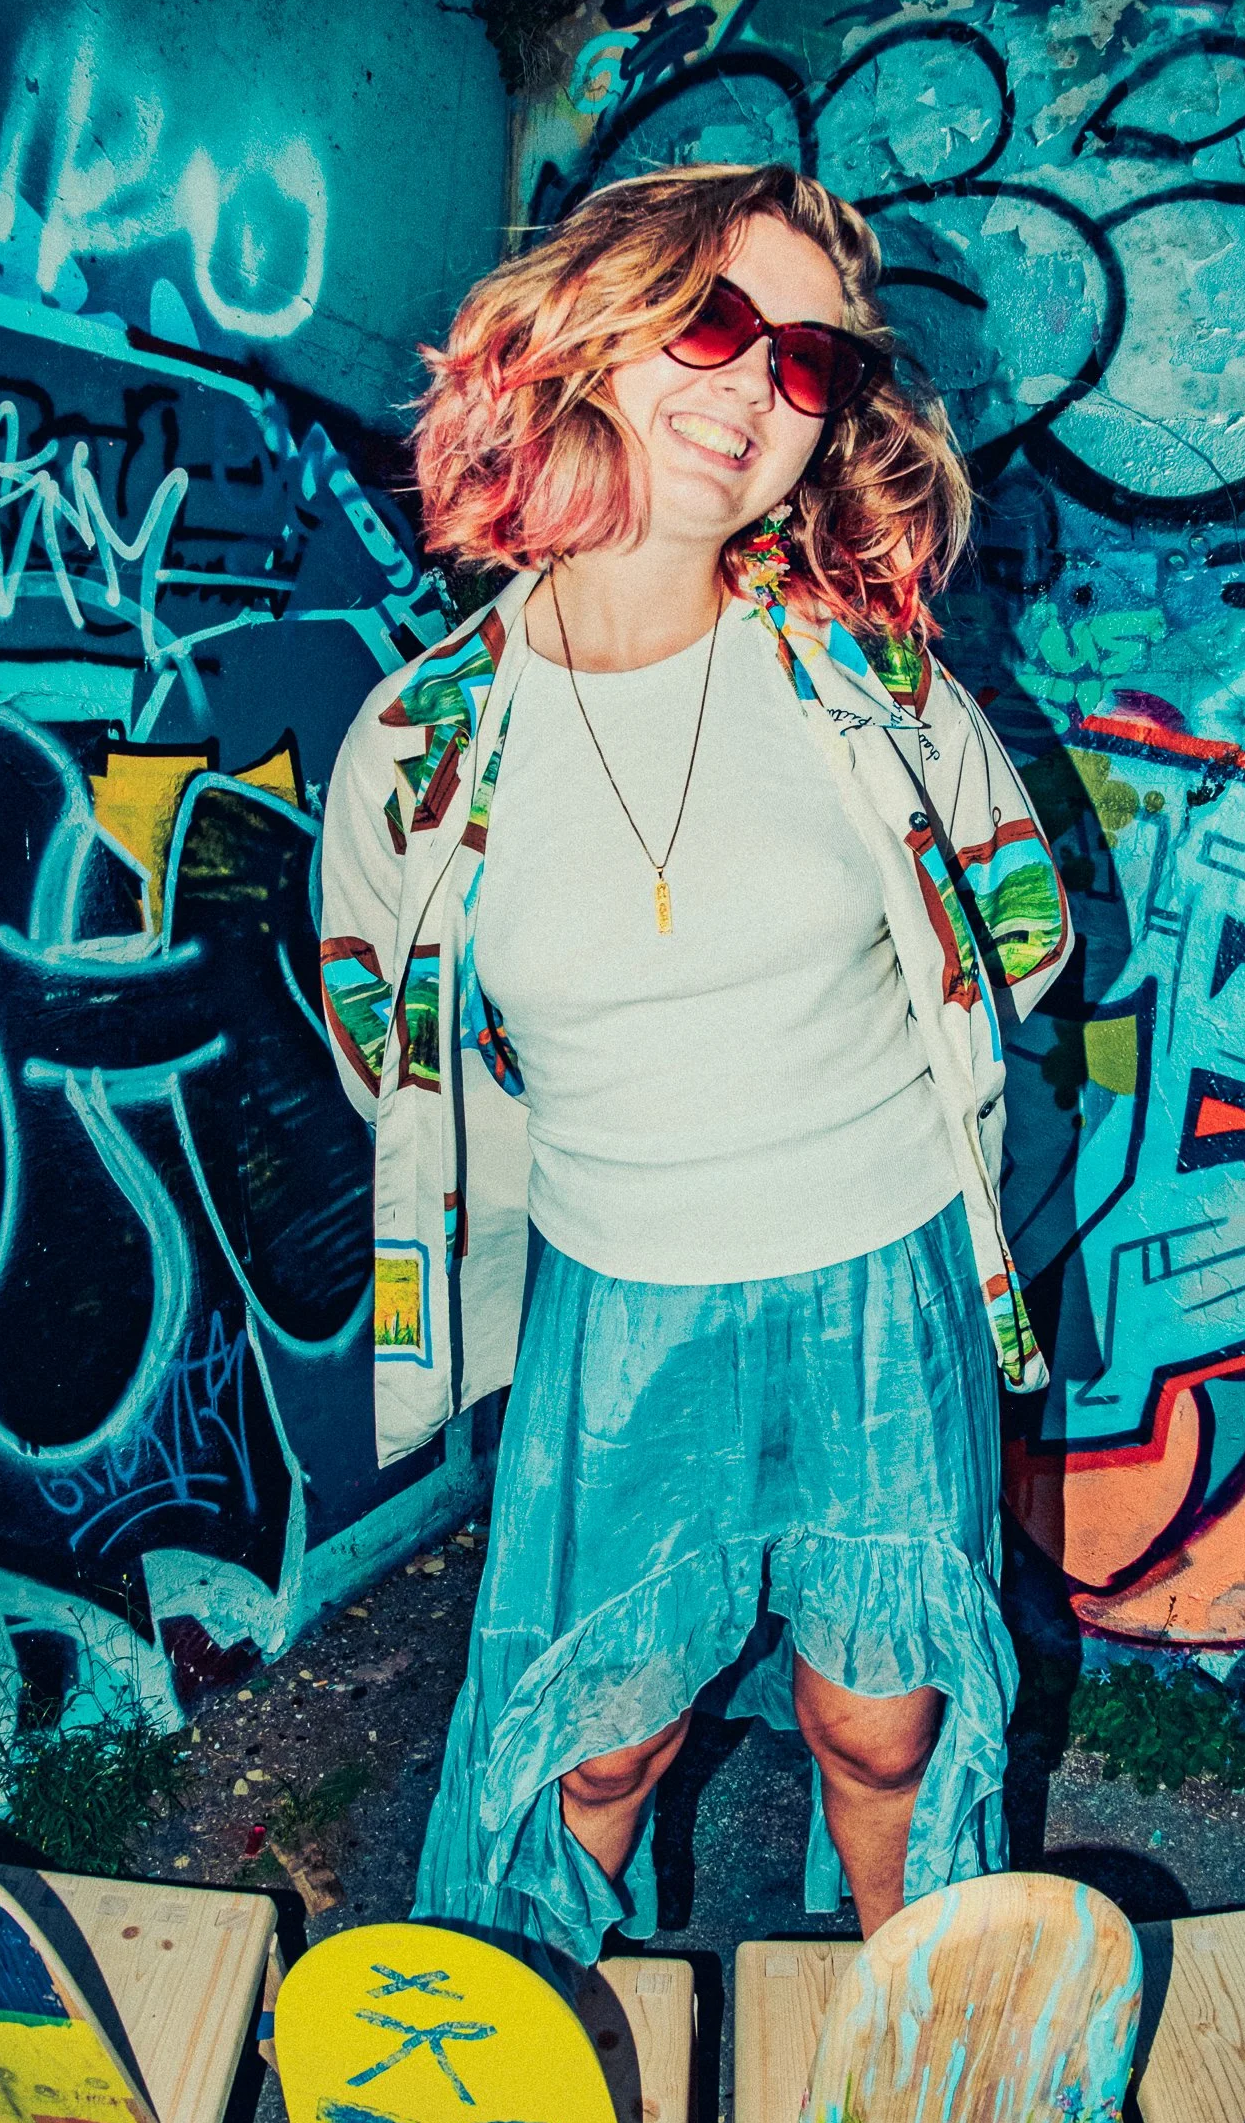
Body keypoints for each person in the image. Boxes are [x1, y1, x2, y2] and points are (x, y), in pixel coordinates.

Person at [317, 163, 1069, 1964]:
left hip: (878, 1264)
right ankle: (518, 2107)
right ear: (594, 326)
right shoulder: (421, 744)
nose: (755, 384)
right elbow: (390, 1056)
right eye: (715, 322)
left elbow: (1017, 929)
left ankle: (923, 2084)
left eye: (807, 359)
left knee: (883, 1723)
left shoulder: (864, 684)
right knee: (604, 1743)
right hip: (623, 1296)